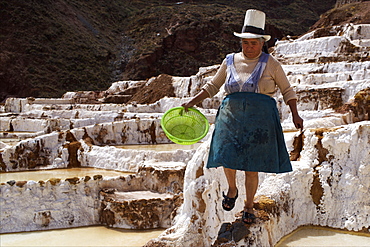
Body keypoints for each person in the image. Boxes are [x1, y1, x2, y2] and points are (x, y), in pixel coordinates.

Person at [181, 9, 304, 224]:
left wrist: (295, 114)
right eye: (245, 42)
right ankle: (231, 188)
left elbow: (287, 90)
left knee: (251, 165)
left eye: (253, 43)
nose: (248, 47)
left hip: (260, 122)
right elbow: (212, 86)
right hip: (231, 118)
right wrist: (191, 102)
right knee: (226, 154)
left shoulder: (272, 64)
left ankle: (248, 206)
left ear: (261, 43)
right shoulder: (229, 61)